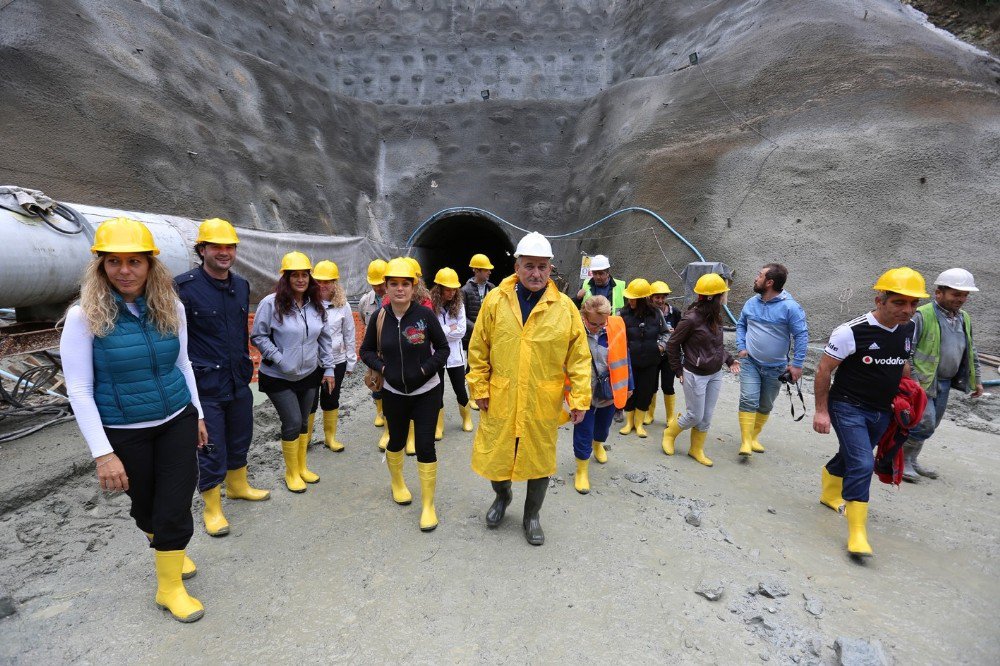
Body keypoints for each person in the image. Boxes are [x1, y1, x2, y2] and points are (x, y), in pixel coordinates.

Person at [61, 217, 208, 622]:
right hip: (125, 432)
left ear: (150, 265)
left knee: (175, 505)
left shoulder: (170, 305)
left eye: (134, 262)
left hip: (176, 418)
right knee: (145, 506)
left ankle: (169, 587)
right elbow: (80, 390)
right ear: (101, 266)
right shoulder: (83, 317)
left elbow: (183, 363)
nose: (124, 271)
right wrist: (103, 454)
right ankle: (165, 546)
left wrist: (196, 412)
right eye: (114, 262)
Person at [467, 231, 591, 545]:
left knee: (539, 460)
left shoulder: (564, 308)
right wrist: (479, 387)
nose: (535, 273)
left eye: (542, 267)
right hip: (502, 395)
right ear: (517, 267)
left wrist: (578, 398)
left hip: (541, 399)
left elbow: (579, 357)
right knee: (498, 456)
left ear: (550, 269)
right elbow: (479, 346)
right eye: (529, 266)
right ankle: (503, 496)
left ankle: (531, 514)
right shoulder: (495, 300)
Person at [813, 267, 928, 557]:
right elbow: (824, 370)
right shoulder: (850, 332)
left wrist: (908, 390)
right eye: (899, 302)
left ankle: (829, 491)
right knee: (863, 463)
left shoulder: (908, 328)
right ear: (880, 300)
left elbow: (902, 362)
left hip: (883, 410)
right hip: (847, 406)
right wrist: (821, 411)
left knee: (853, 455)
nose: (908, 310)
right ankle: (858, 535)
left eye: (914, 303)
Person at [175, 218, 268, 539]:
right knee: (210, 446)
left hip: (238, 379)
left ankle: (238, 485)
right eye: (217, 246)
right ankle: (212, 508)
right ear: (202, 250)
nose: (224, 252)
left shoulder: (241, 286)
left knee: (241, 435)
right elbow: (176, 340)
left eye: (229, 247)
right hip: (205, 385)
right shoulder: (184, 288)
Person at [359, 258, 449, 531]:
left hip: (426, 391)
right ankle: (397, 483)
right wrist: (383, 367)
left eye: (405, 284)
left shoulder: (425, 315)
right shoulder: (379, 317)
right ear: (385, 287)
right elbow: (366, 351)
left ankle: (428, 505)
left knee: (424, 445)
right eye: (394, 284)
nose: (399, 289)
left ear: (414, 287)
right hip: (393, 392)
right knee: (396, 440)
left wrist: (424, 370)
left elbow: (443, 349)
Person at [250, 252, 335, 493]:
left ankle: (302, 467)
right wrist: (279, 359)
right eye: (294, 275)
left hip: (309, 372)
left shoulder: (316, 305)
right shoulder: (271, 303)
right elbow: (258, 336)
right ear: (285, 278)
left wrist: (328, 369)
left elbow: (324, 340)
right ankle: (291, 473)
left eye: (304, 275)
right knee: (293, 421)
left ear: (310, 278)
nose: (300, 279)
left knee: (305, 421)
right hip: (279, 375)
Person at [904, 268, 984, 482]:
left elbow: (971, 349)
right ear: (939, 293)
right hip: (923, 381)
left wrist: (976, 379)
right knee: (924, 422)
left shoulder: (963, 318)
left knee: (933, 423)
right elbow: (906, 351)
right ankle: (900, 461)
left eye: (964, 295)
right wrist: (912, 381)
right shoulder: (922, 315)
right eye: (956, 294)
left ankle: (912, 459)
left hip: (946, 382)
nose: (961, 299)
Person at [662, 273, 740, 466]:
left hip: (714, 373)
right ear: (713, 297)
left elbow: (716, 345)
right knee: (694, 415)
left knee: (706, 416)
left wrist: (729, 360)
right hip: (694, 374)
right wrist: (678, 370)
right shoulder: (691, 319)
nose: (725, 297)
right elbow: (672, 345)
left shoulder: (716, 316)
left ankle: (696, 449)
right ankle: (670, 432)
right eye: (723, 293)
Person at [735, 263, 809, 457]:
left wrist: (797, 364)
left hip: (776, 368)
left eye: (759, 275)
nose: (755, 278)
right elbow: (741, 325)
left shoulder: (790, 307)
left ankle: (753, 437)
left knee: (765, 405)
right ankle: (745, 443)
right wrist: (741, 347)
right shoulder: (751, 303)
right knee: (748, 399)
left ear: (769, 282)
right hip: (750, 362)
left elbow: (801, 335)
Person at [572, 296, 632, 493]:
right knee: (583, 430)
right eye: (593, 323)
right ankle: (582, 469)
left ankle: (598, 445)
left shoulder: (616, 326)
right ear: (583, 316)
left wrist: (629, 384)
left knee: (603, 427)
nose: (598, 327)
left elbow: (624, 355)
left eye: (602, 322)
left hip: (609, 390)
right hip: (584, 392)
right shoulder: (574, 330)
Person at [309, 260, 357, 452]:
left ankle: (330, 438)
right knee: (310, 401)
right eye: (319, 281)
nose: (323, 285)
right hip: (312, 362)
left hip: (336, 361)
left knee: (330, 399)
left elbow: (349, 334)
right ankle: (307, 439)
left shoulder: (342, 306)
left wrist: (351, 361)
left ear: (335, 283)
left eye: (327, 281)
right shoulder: (308, 304)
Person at [617, 278, 670, 438]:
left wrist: (660, 346)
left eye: (633, 298)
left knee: (645, 392)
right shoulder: (622, 314)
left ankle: (639, 424)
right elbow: (614, 335)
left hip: (650, 361)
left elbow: (665, 333)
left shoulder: (656, 313)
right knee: (629, 392)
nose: (630, 300)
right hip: (629, 362)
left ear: (642, 299)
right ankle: (629, 422)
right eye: (629, 297)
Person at [430, 267, 473, 439]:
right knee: (437, 390)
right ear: (439, 288)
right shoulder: (430, 305)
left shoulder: (459, 305)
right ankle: (438, 425)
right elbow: (430, 332)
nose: (452, 292)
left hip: (455, 356)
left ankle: (467, 418)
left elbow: (461, 331)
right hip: (436, 355)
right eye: (448, 289)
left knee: (459, 389)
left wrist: (440, 332)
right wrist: (449, 329)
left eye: (454, 289)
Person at [462, 254, 496, 411]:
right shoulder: (466, 291)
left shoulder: (493, 288)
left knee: (490, 365)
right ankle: (473, 395)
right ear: (477, 271)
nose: (489, 272)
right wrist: (478, 328)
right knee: (473, 366)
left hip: (492, 336)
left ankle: (487, 392)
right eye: (486, 270)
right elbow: (462, 316)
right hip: (473, 336)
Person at [358, 259, 388, 429]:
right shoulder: (365, 301)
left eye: (381, 284)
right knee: (375, 381)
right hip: (374, 351)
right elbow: (364, 321)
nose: (378, 288)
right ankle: (379, 412)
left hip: (390, 347)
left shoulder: (395, 299)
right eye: (374, 284)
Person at [647, 280, 682, 425]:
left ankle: (670, 417)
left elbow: (683, 331)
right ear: (651, 298)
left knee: (668, 385)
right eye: (657, 297)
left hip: (670, 355)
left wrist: (676, 333)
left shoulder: (676, 313)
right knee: (652, 385)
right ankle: (649, 414)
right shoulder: (648, 313)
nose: (660, 300)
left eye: (663, 297)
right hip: (653, 353)